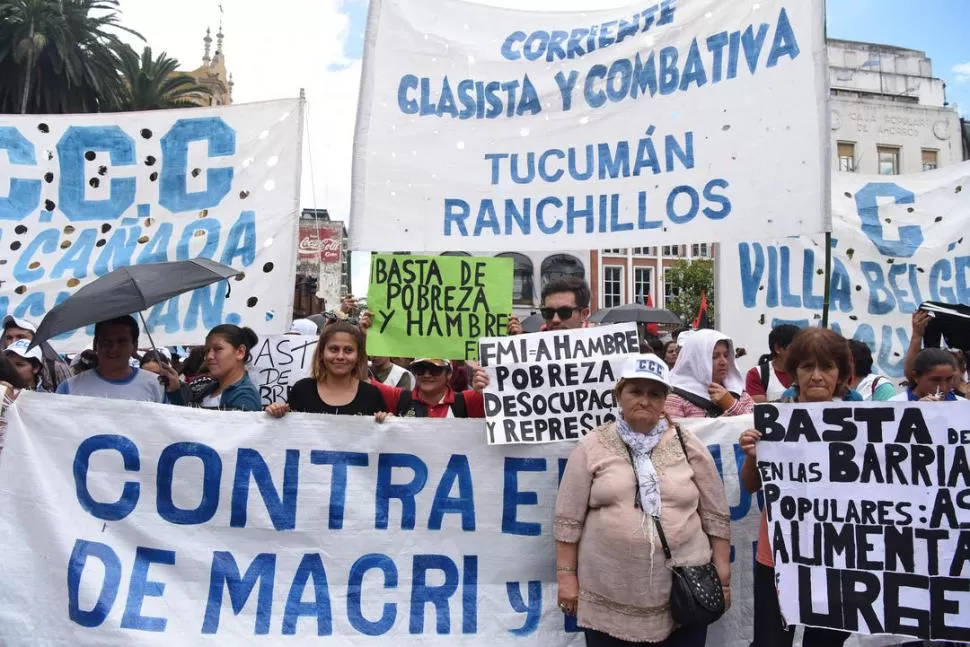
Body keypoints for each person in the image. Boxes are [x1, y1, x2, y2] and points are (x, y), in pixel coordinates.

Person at [555, 355, 731, 646]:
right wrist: (566, 578)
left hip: (683, 594)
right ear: (619, 395)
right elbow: (568, 520)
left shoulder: (688, 444)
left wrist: (723, 574)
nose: (644, 400)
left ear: (665, 400)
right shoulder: (592, 445)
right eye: (635, 391)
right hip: (608, 593)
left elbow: (715, 513)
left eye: (654, 393)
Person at [739, 327, 859, 647]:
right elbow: (750, 485)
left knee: (826, 642)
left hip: (836, 555)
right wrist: (753, 456)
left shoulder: (864, 426)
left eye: (827, 366)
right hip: (778, 554)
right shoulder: (775, 419)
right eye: (807, 367)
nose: (817, 376)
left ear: (842, 374)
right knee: (770, 639)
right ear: (794, 372)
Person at [266, 321, 391, 419]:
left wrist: (387, 421)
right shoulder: (302, 390)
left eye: (348, 350)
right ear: (321, 353)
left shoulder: (371, 395)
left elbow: (383, 441)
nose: (340, 356)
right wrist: (276, 413)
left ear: (358, 356)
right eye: (334, 349)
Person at [56, 316, 166, 403]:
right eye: (106, 342)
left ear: (135, 346)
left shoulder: (157, 385)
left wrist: (179, 392)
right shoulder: (69, 388)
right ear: (95, 344)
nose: (113, 349)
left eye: (122, 341)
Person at [162, 325, 261, 411]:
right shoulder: (209, 388)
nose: (209, 356)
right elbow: (187, 420)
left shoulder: (245, 397)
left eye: (218, 349)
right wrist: (175, 390)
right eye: (207, 351)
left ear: (240, 352)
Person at [665, 329, 754, 418]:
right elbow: (672, 430)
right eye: (714, 356)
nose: (723, 362)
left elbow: (758, 425)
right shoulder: (676, 400)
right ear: (696, 360)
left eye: (726, 355)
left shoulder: (738, 393)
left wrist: (732, 404)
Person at [2, 315, 73, 391]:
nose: (14, 342)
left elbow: (71, 396)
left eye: (21, 337)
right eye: (9, 338)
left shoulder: (57, 367)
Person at [398, 359, 486, 418]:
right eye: (420, 369)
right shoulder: (399, 398)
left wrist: (487, 388)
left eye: (435, 369)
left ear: (449, 374)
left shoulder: (470, 400)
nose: (426, 375)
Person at [508, 276, 591, 334]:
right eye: (548, 312)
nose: (555, 320)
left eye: (564, 312)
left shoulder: (600, 351)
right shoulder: (532, 347)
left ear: (584, 314)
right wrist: (519, 342)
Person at [745, 324, 800, 403]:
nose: (801, 352)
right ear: (778, 348)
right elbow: (761, 409)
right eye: (796, 348)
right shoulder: (756, 374)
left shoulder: (806, 372)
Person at [891, 348, 961, 402]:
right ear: (916, 377)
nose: (943, 388)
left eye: (949, 379)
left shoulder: (964, 407)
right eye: (936, 380)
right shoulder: (893, 405)